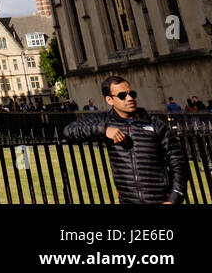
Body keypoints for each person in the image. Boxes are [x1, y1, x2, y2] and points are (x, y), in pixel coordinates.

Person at [63, 76, 185, 204]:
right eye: (122, 95)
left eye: (132, 94)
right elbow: (69, 131)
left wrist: (174, 198)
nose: (130, 98)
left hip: (160, 199)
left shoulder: (155, 124)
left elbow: (178, 162)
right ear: (110, 100)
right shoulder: (105, 121)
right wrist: (104, 130)